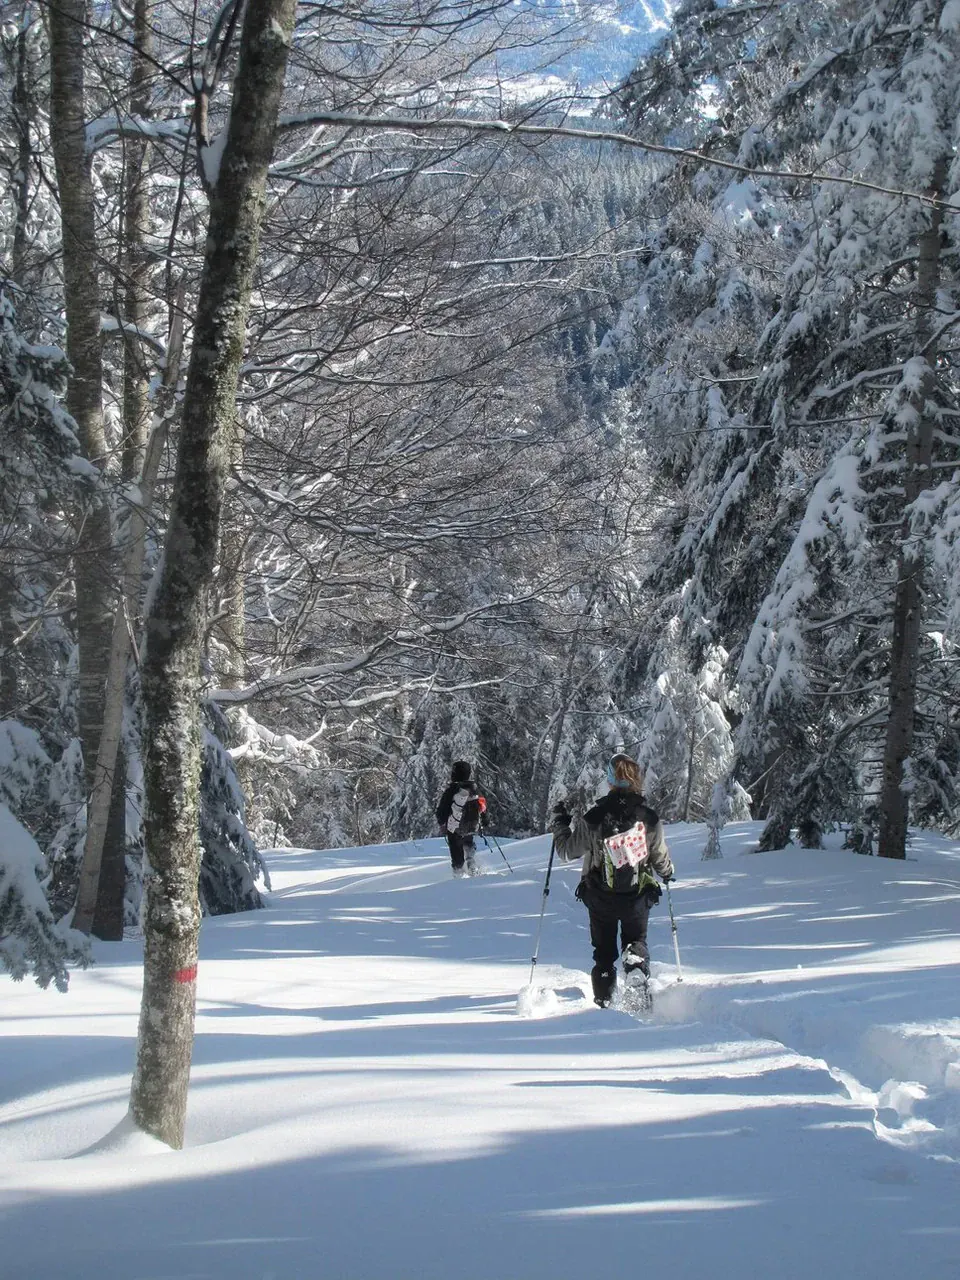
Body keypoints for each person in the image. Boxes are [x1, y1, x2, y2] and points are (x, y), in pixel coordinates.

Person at [550, 753, 674, 1008]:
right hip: (637, 897)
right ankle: (636, 968)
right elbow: (660, 858)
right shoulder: (648, 818)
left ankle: (604, 999)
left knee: (604, 953)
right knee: (635, 941)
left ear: (610, 780)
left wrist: (560, 824)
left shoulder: (595, 817)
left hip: (600, 895)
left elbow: (566, 851)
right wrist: (668, 873)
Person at [435, 760, 486, 877]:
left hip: (455, 829)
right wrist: (485, 820)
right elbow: (482, 807)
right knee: (468, 842)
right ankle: (471, 864)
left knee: (456, 849)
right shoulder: (474, 789)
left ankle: (459, 875)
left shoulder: (452, 790)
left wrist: (441, 821)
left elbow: (442, 812)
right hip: (472, 826)